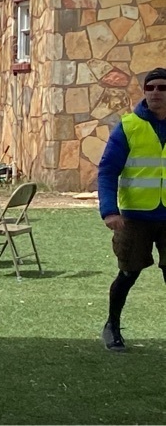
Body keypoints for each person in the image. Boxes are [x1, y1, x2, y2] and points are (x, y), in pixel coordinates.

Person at [98, 67, 166, 352]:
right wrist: (109, 211)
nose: (155, 93)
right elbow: (107, 171)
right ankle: (112, 325)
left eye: (162, 88)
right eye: (150, 88)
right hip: (133, 218)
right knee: (128, 273)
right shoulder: (128, 126)